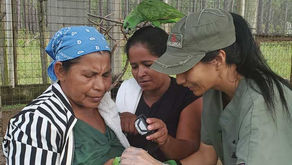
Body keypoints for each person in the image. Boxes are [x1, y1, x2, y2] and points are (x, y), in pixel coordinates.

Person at [119, 9, 292, 165]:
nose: (179, 80)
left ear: (218, 60)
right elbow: (206, 156)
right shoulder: (213, 93)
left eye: (185, 69)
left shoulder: (261, 107)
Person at [2, 26, 130, 165]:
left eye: (106, 75)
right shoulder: (37, 123)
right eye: (89, 75)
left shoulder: (104, 106)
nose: (101, 86)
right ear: (60, 71)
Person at [116, 26, 202, 161]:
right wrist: (119, 119)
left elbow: (189, 148)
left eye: (148, 64)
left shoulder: (187, 95)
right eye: (134, 67)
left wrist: (165, 140)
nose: (140, 73)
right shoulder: (127, 90)